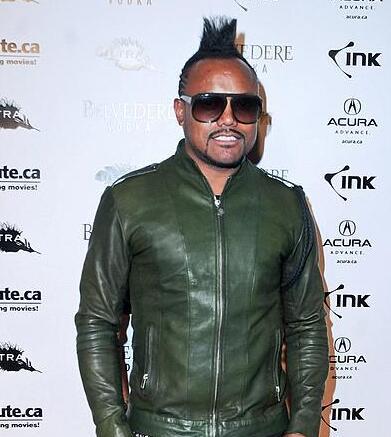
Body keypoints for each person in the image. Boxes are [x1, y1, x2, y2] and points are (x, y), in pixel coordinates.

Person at [75, 17, 328, 437]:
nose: (229, 120)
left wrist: (302, 425)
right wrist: (111, 427)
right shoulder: (129, 200)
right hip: (160, 428)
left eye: (244, 107)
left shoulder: (286, 204)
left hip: (261, 428)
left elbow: (306, 325)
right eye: (210, 105)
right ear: (181, 110)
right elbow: (97, 322)